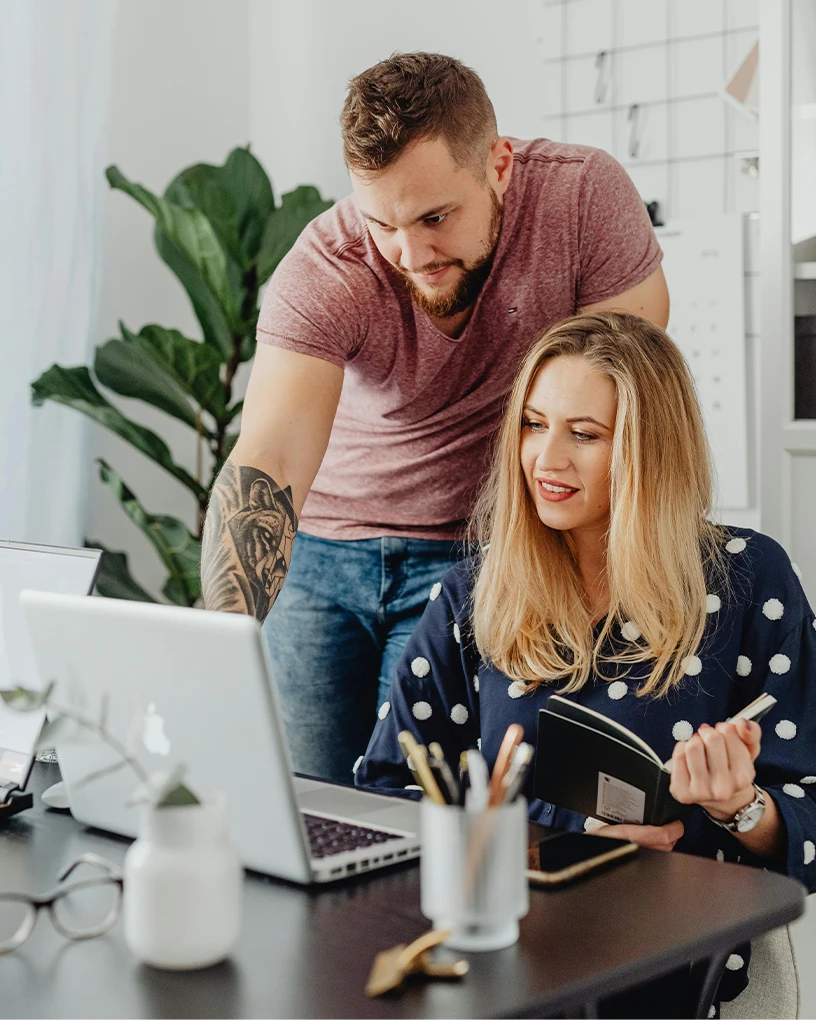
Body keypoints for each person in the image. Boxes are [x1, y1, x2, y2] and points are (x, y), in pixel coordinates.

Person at [201, 52, 669, 782]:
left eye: (435, 218)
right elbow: (269, 460)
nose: (410, 254)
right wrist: (221, 649)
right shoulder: (328, 269)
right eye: (382, 222)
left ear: (500, 163)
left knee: (421, 813)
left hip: (477, 553)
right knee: (305, 808)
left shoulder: (582, 199)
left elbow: (629, 409)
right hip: (320, 557)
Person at [355, 311, 816, 1017]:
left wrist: (739, 806)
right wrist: (557, 849)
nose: (545, 459)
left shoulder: (749, 582)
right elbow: (390, 790)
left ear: (648, 451)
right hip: (495, 954)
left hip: (658, 962)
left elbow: (808, 818)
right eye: (534, 425)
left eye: (585, 434)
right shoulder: (475, 595)